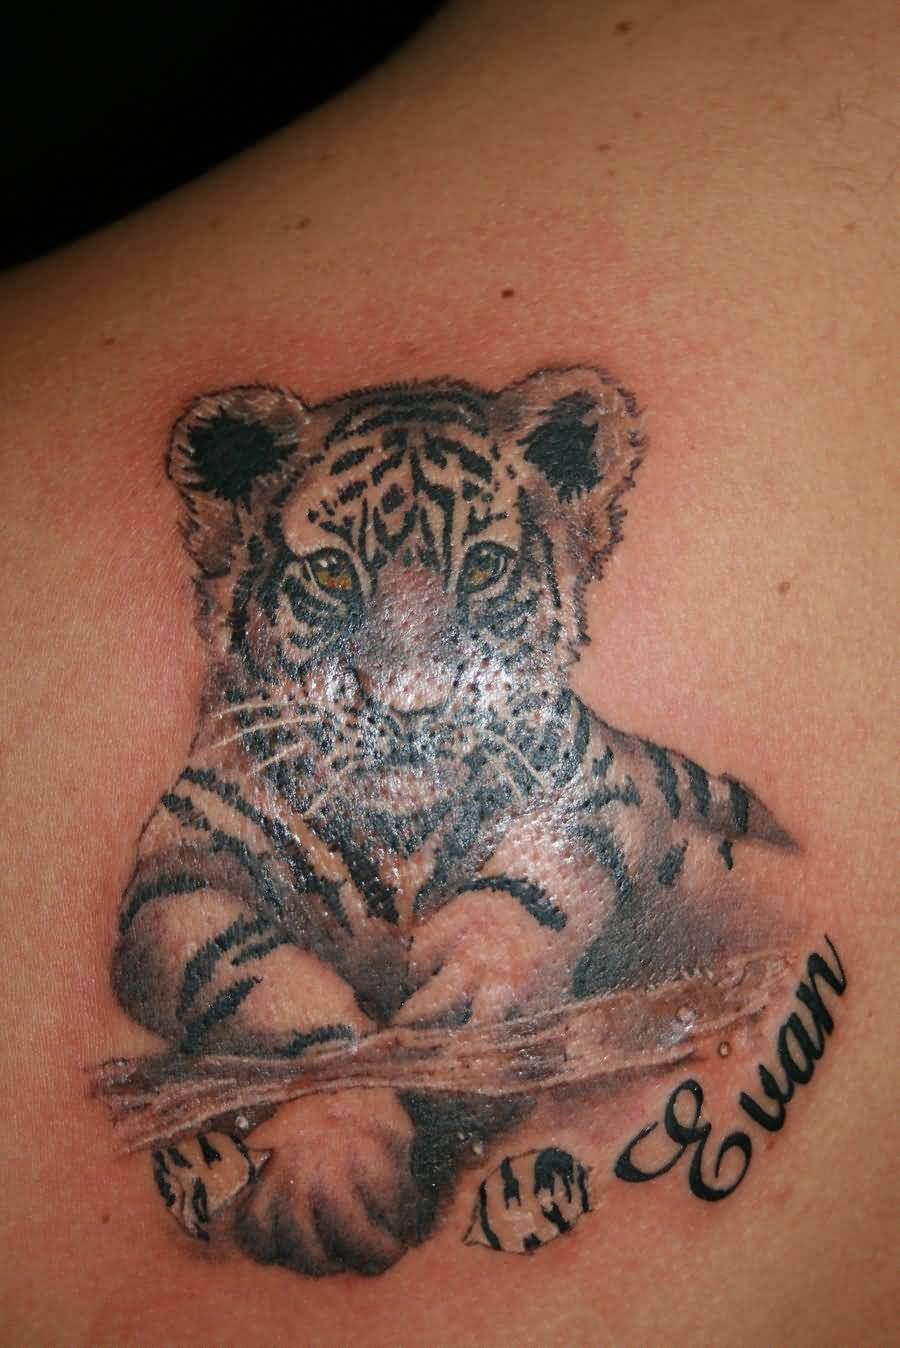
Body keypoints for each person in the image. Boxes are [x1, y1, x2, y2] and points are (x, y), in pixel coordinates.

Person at [0, 1, 896, 1342]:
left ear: (573, 523)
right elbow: (169, 912)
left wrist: (503, 934)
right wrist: (323, 1056)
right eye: (328, 586)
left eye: (484, 580)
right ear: (237, 543)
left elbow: (606, 822)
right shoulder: (235, 752)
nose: (408, 686)